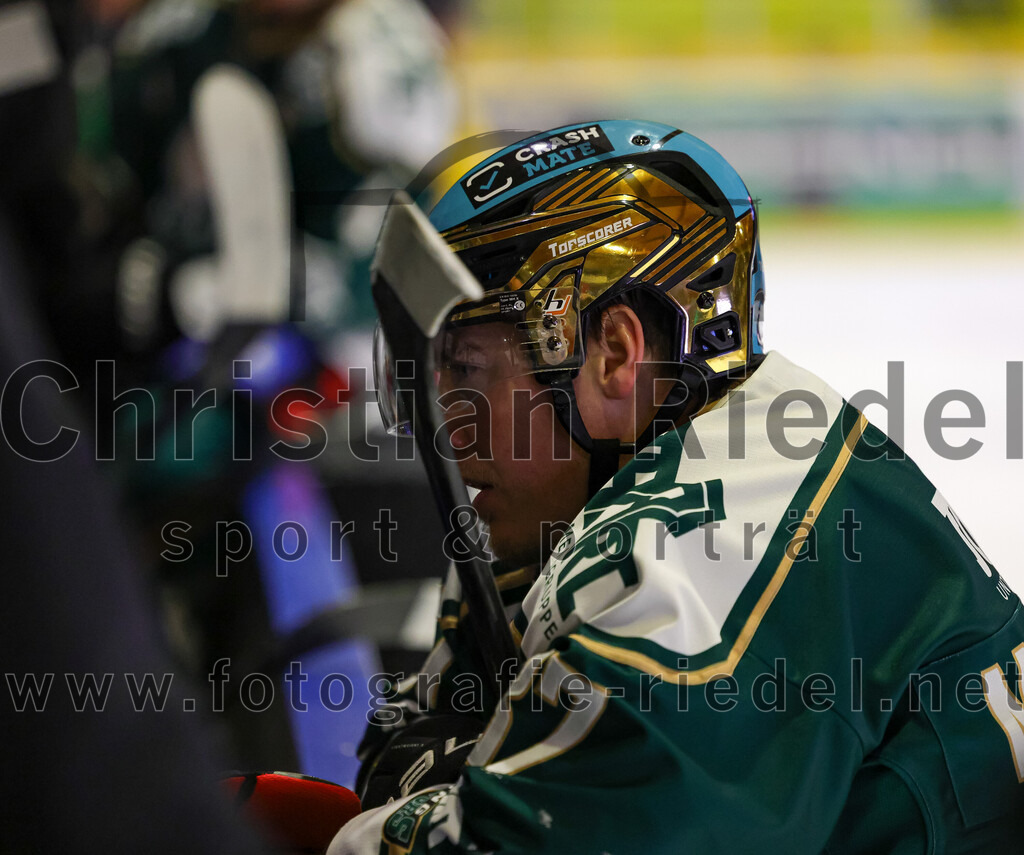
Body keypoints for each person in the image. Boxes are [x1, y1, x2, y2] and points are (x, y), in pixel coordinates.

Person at [329, 120, 1024, 853]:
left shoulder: (708, 536)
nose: (446, 426)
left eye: (466, 370)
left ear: (614, 355)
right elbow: (422, 728)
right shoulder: (579, 509)